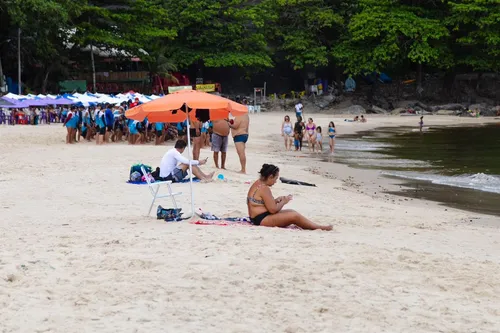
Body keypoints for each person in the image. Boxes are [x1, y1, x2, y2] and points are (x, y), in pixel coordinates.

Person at [247, 164, 333, 230]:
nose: (275, 181)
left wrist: (276, 200)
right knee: (294, 216)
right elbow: (273, 210)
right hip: (261, 219)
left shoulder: (258, 183)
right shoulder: (264, 188)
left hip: (257, 217)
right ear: (270, 177)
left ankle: (314, 225)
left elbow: (261, 202)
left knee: (291, 211)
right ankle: (318, 227)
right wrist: (284, 202)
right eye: (275, 179)